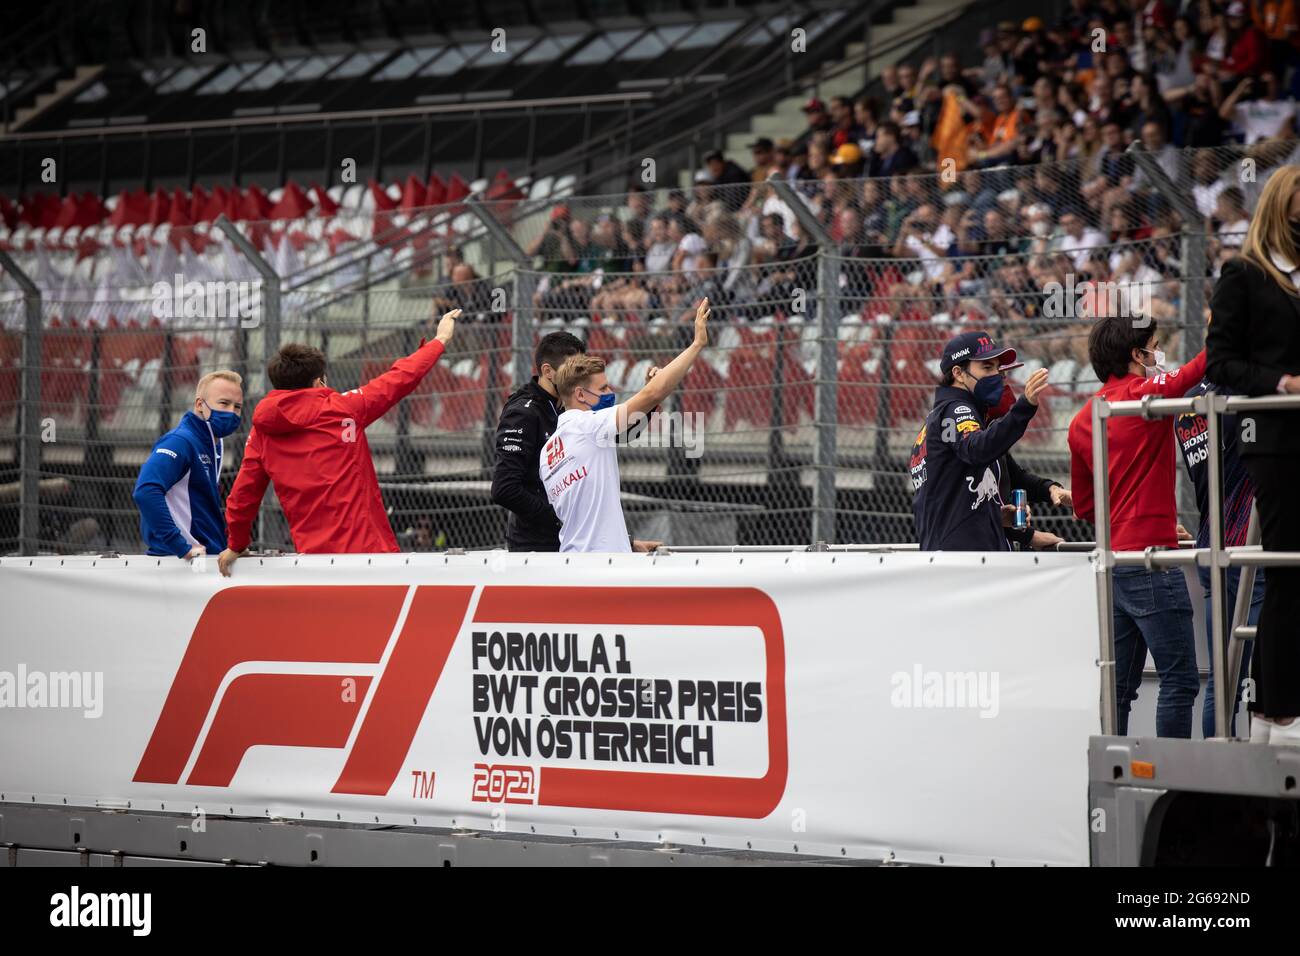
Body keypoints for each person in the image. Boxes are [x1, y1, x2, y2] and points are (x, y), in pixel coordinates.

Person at [218, 310, 459, 575]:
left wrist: (236, 543)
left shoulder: (261, 432)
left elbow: (242, 497)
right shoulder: (345, 408)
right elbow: (399, 377)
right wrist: (440, 340)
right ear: (318, 381)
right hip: (370, 557)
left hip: (312, 562)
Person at [1069, 315, 1207, 738]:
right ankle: (1174, 793)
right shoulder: (1143, 396)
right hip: (1150, 560)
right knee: (1180, 680)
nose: (1159, 354)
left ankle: (1111, 781)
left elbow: (1085, 506)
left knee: (1119, 688)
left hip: (1113, 560)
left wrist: (1134, 518)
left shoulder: (1081, 419)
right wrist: (1227, 330)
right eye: (1155, 345)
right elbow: (1190, 374)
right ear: (1136, 354)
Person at [1207, 164, 1300, 745]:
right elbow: (1222, 367)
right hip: (1277, 438)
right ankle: (1281, 712)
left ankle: (1272, 711)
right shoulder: (1243, 273)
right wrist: (1284, 384)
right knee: (1289, 574)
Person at [541, 298, 710, 553]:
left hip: (574, 559)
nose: (611, 392)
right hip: (601, 568)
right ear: (581, 395)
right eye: (603, 388)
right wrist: (697, 344)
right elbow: (654, 394)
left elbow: (586, 517)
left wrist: (628, 544)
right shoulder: (588, 427)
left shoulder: (549, 450)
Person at [1175, 379, 1263, 738]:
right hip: (1251, 550)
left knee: (1223, 679)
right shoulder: (1247, 391)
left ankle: (1219, 771)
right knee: (1265, 674)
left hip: (1212, 545)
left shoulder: (1187, 399)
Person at [912, 331, 1050, 551]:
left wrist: (998, 518)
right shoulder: (956, 410)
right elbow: (976, 448)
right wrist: (1025, 406)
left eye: (997, 368)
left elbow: (957, 500)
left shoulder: (946, 416)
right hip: (962, 562)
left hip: (958, 556)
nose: (997, 375)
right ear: (958, 373)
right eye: (987, 368)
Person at [132, 370, 243, 560]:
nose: (231, 412)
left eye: (237, 406)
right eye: (224, 403)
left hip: (204, 559)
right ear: (200, 404)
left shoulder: (211, 443)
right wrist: (181, 548)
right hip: (183, 564)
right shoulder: (180, 441)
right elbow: (146, 491)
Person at [491, 331, 586, 552]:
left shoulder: (572, 405)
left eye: (581, 370)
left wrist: (651, 399)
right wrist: (558, 519)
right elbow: (504, 489)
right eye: (573, 369)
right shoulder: (523, 412)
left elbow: (620, 434)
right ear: (547, 371)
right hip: (536, 549)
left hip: (573, 540)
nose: (580, 377)